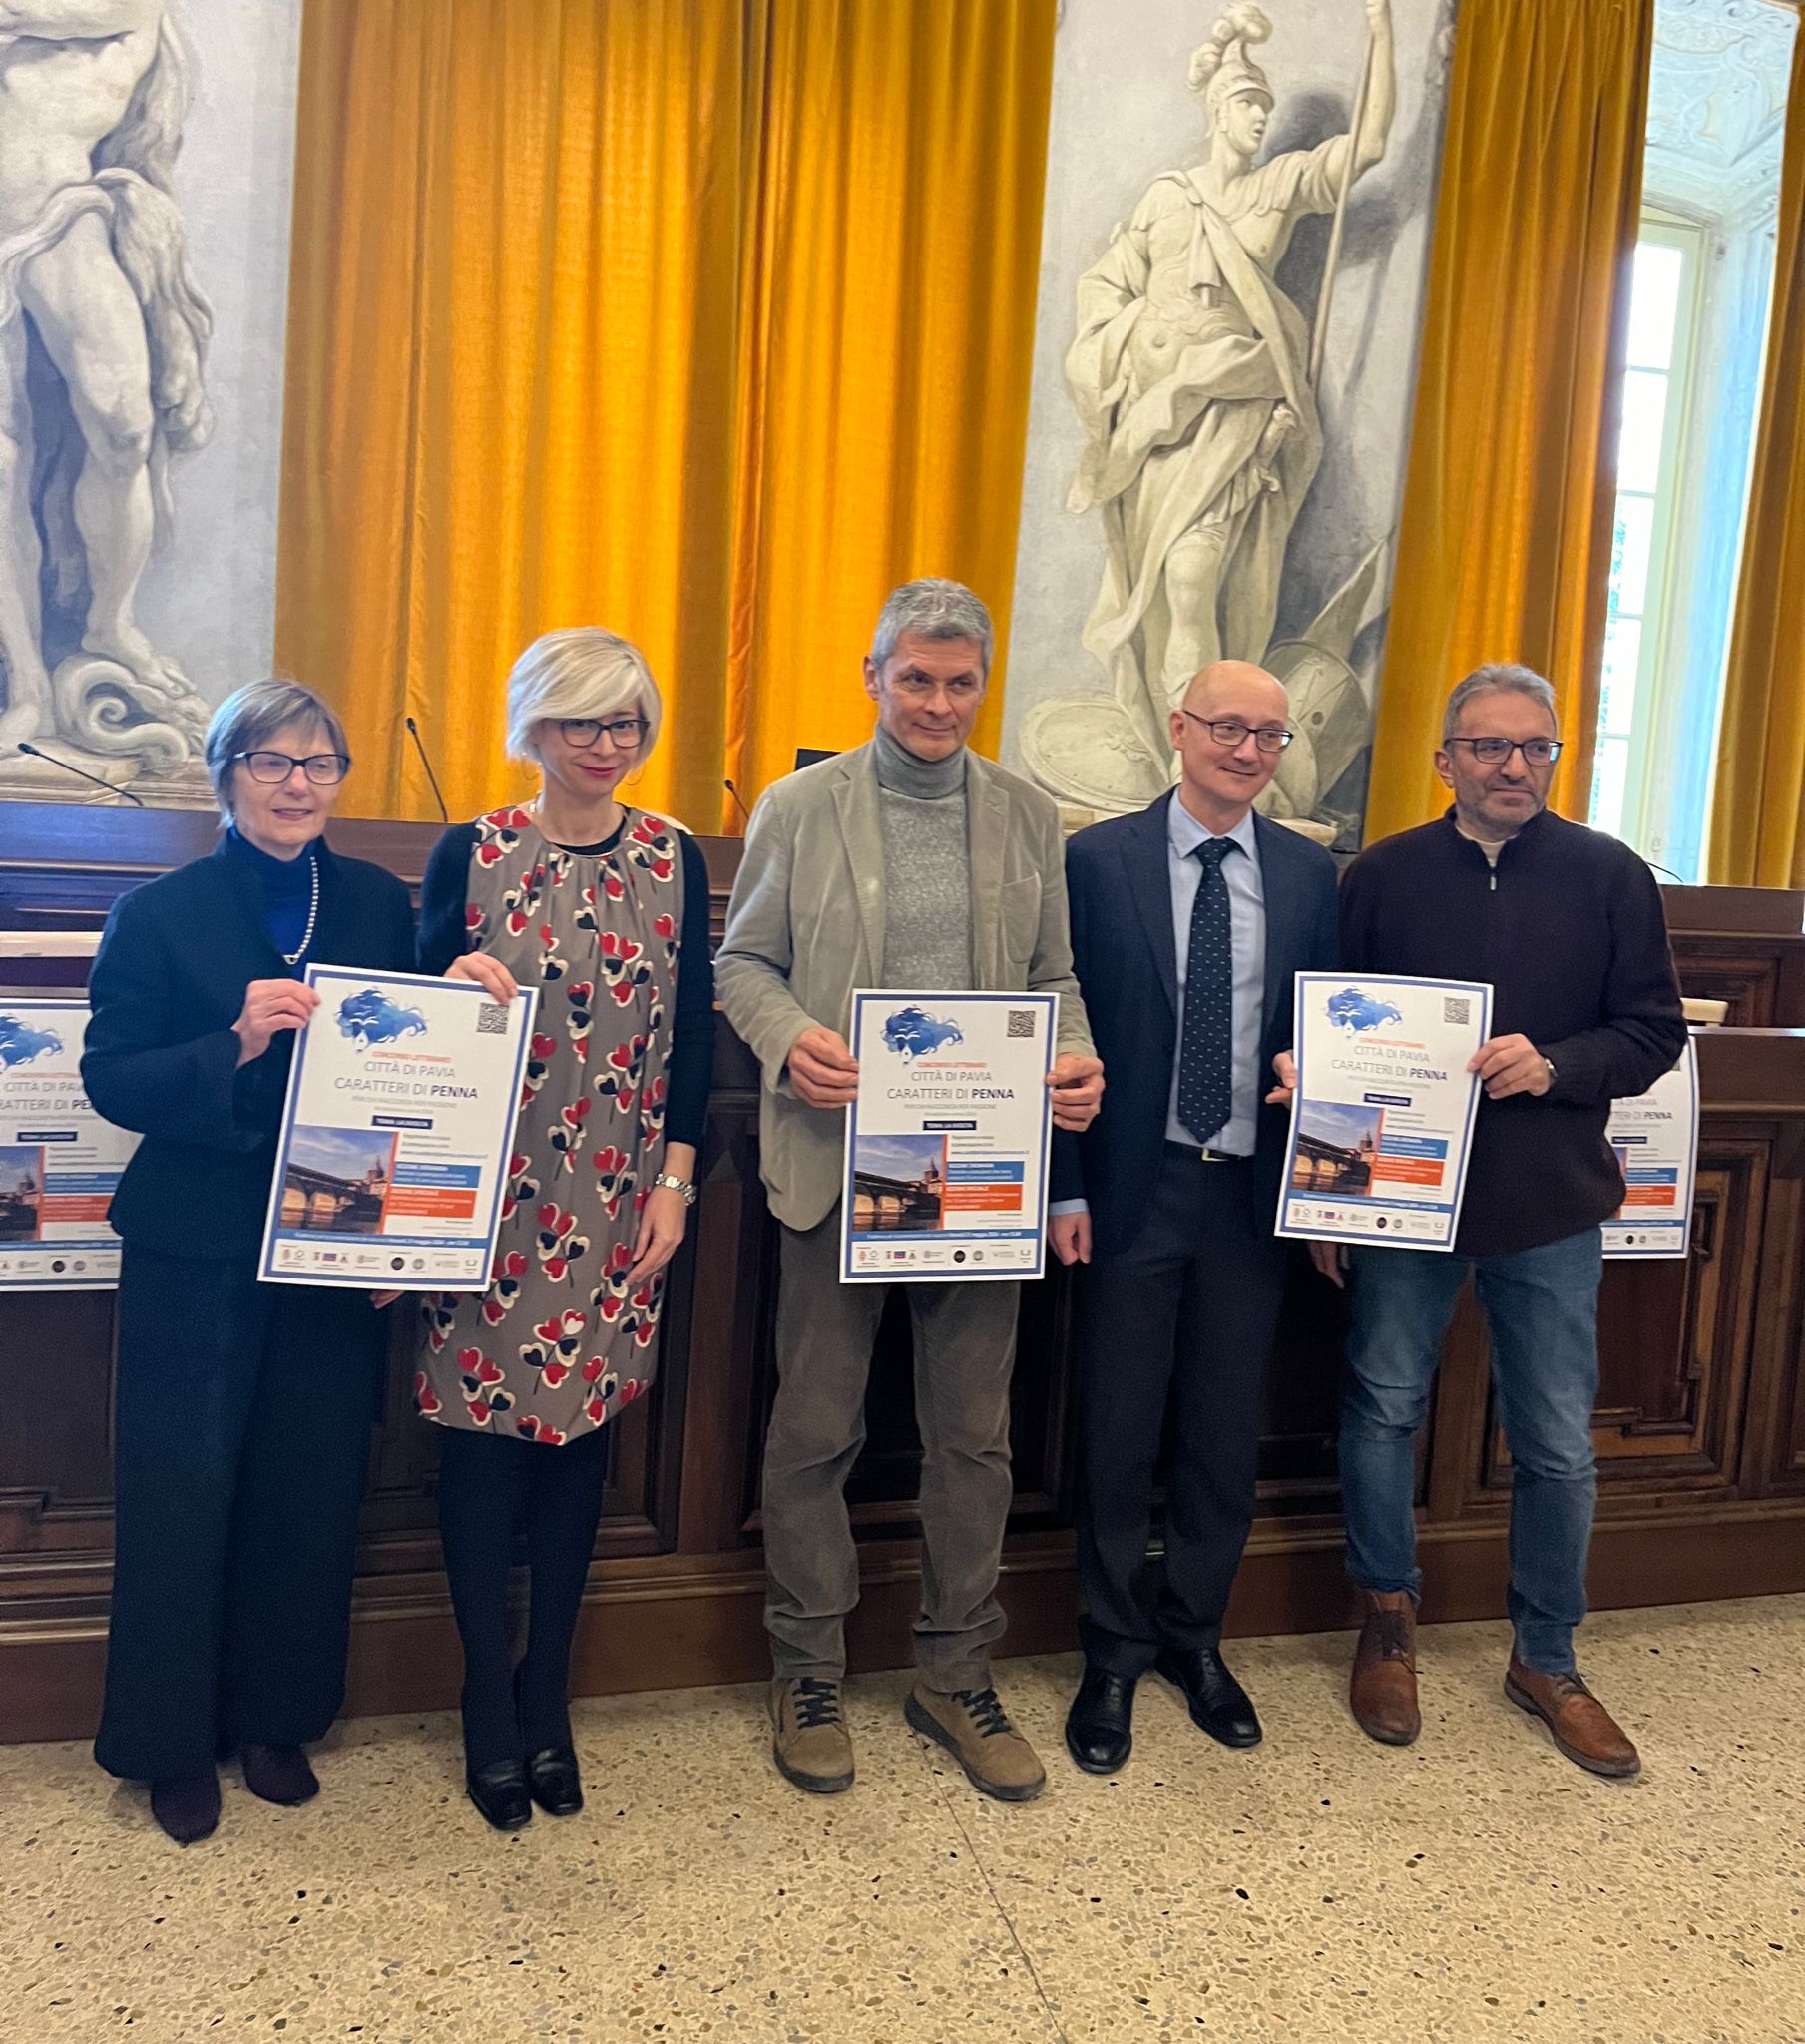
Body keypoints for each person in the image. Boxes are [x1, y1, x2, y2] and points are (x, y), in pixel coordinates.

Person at [716, 579, 1103, 1804]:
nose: (938, 703)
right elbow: (743, 960)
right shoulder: (800, 806)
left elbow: (1055, 976)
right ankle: (808, 1668)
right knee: (816, 1429)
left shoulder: (1028, 813)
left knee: (974, 1440)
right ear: (873, 677)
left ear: (984, 685)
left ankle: (955, 1671)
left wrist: (1074, 1059)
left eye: (960, 682)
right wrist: (791, 1038)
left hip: (981, 1176)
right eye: (916, 679)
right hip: (838, 1166)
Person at [1325, 663, 1687, 1779]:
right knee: (1383, 1406)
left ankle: (1547, 1655)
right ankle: (1387, 1622)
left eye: (1536, 746)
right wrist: (1326, 1196)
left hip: (1548, 1200)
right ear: (1445, 760)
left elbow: (1653, 1031)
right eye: (1489, 745)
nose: (1514, 765)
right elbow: (1332, 1030)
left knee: (1557, 1443)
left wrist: (1558, 1063)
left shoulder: (1610, 875)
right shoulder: (1380, 875)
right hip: (1398, 1199)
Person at [82, 680, 414, 1844]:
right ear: (226, 774)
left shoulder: (374, 900)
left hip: (337, 1228)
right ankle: (169, 1740)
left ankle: (277, 1717)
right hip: (195, 1234)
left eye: (320, 764)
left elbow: (420, 1054)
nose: (297, 785)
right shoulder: (158, 910)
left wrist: (472, 989)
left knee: (308, 1482)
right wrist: (232, 1040)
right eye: (273, 762)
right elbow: (111, 1076)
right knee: (179, 1487)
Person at [414, 629, 712, 1831]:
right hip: (485, 1198)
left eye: (625, 721)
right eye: (581, 720)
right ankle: (487, 1697)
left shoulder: (673, 855)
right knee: (481, 1451)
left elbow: (693, 1034)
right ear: (533, 725)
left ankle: (548, 1695)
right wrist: (447, 980)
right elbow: (407, 1014)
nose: (605, 744)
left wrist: (677, 1180)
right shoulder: (472, 849)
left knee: (579, 1444)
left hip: (615, 1194)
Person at [1050, 661, 1339, 1773]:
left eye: (1270, 734)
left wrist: (1318, 1136)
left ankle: (1196, 1637)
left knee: (1222, 1430)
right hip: (1135, 1184)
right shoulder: (1096, 860)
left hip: (1250, 1193)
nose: (1249, 750)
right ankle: (1113, 1647)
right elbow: (1062, 1024)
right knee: (1118, 1426)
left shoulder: (1309, 873)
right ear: (1179, 728)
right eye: (1228, 727)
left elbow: (1328, 1027)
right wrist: (1066, 1183)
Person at [1051, 0, 1394, 792]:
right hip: (1159, 417)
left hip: (1237, 405)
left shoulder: (1278, 185)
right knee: (1161, 588)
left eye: (1264, 107)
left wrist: (1380, 32)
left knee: (1192, 577)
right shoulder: (1165, 199)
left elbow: (1369, 146)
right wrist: (1126, 346)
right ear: (1217, 110)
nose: (1259, 118)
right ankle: (1178, 745)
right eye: (1247, 104)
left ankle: (1198, 757)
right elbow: (1104, 288)